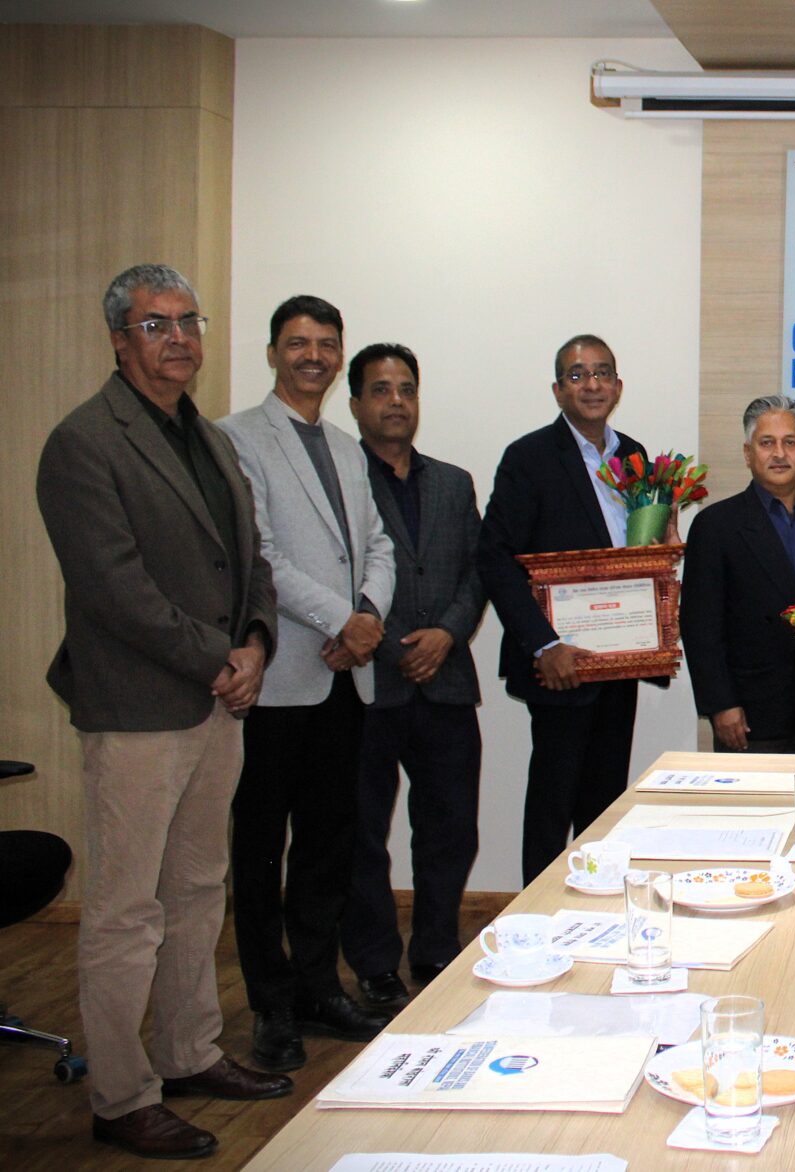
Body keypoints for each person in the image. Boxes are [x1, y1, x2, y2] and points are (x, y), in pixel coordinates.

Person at [39, 264, 287, 1159]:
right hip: (139, 710)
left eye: (188, 322)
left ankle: (188, 1053)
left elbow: (250, 559)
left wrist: (255, 641)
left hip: (218, 701)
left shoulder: (208, 439)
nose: (178, 339)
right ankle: (121, 1095)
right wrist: (218, 659)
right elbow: (114, 589)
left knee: (196, 890)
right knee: (124, 910)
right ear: (118, 339)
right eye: (155, 325)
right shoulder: (83, 443)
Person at [219, 295, 396, 1072]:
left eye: (327, 343)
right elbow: (258, 553)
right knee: (261, 847)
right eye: (298, 343)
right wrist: (339, 619)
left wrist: (368, 615)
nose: (314, 356)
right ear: (273, 353)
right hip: (280, 676)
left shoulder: (347, 448)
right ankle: (272, 1003)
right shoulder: (237, 438)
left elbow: (378, 544)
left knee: (328, 844)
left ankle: (320, 987)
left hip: (343, 679)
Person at [477, 334, 658, 883]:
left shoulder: (634, 455)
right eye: (578, 375)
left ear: (618, 386)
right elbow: (495, 556)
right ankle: (540, 910)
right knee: (552, 803)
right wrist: (544, 644)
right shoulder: (529, 458)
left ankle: (596, 902)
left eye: (602, 373)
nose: (592, 385)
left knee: (605, 803)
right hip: (561, 662)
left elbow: (634, 551)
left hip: (618, 659)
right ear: (558, 390)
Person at [339, 343, 487, 1009]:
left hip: (446, 680)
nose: (395, 401)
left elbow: (478, 570)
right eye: (380, 389)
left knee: (450, 829)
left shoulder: (453, 483)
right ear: (355, 404)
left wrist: (448, 632)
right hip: (370, 684)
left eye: (406, 389)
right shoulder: (342, 480)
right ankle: (375, 964)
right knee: (362, 835)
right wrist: (394, 642)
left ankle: (435, 950)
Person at [682, 394, 795, 751]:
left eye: (790, 442)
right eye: (767, 443)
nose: (779, 454)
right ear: (747, 452)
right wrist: (720, 704)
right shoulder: (716, 525)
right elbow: (700, 626)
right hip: (749, 711)